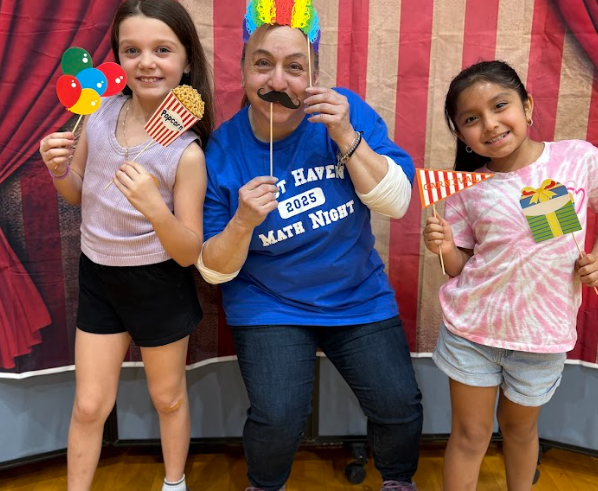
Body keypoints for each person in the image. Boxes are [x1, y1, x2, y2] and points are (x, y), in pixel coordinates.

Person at [196, 1, 423, 490]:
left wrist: (345, 135)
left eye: (294, 67)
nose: (278, 81)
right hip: (268, 303)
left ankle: (398, 480)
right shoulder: (221, 150)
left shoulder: (346, 113)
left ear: (314, 75)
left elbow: (397, 202)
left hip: (357, 293)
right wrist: (242, 222)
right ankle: (265, 484)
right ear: (243, 68)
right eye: (263, 63)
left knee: (399, 405)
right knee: (278, 417)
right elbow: (213, 270)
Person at [38, 1, 214, 489]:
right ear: (116, 59)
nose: (146, 62)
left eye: (162, 50)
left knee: (167, 398)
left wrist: (154, 208)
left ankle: (174, 482)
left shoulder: (186, 152)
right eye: (131, 50)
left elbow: (188, 252)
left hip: (158, 282)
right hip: (98, 275)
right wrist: (59, 171)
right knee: (89, 404)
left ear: (186, 61)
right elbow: (78, 194)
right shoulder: (97, 114)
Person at [423, 60, 598, 491]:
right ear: (460, 133)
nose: (489, 124)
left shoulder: (577, 157)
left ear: (527, 106)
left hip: (541, 337)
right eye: (471, 119)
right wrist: (444, 246)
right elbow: (459, 267)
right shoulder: (466, 188)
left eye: (500, 106)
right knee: (470, 436)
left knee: (520, 431)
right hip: (472, 334)